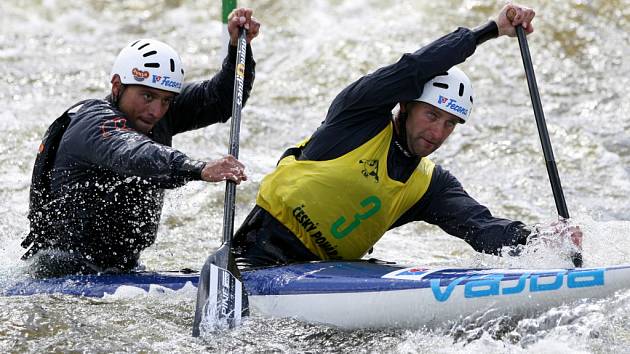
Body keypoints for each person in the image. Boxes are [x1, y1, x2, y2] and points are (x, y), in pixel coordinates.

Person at [232, 4, 582, 268]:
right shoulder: (357, 116)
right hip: (256, 252)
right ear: (406, 106)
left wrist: (542, 239)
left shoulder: (430, 186)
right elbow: (414, 67)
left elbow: (482, 228)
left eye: (449, 124)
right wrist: (491, 30)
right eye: (432, 115)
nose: (437, 132)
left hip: (324, 273)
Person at [21, 8, 261, 277]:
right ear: (117, 87)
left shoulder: (156, 112)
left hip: (122, 269)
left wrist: (238, 47)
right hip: (61, 271)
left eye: (166, 100)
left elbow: (220, 100)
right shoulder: (93, 122)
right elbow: (132, 153)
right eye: (147, 96)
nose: (156, 111)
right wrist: (199, 168)